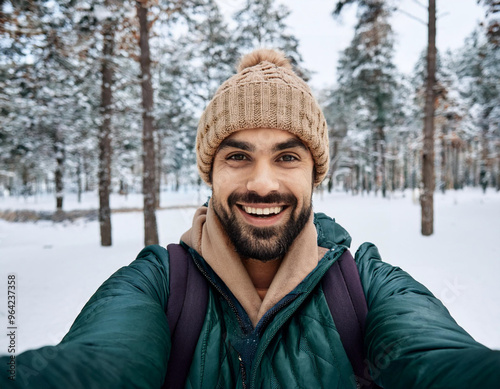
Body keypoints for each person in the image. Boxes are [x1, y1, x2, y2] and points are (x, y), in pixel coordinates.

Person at [1, 49, 499, 389]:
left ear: (314, 174)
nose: (262, 183)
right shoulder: (156, 285)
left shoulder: (366, 286)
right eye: (238, 157)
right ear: (210, 172)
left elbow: (436, 358)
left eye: (287, 157)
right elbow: (100, 364)